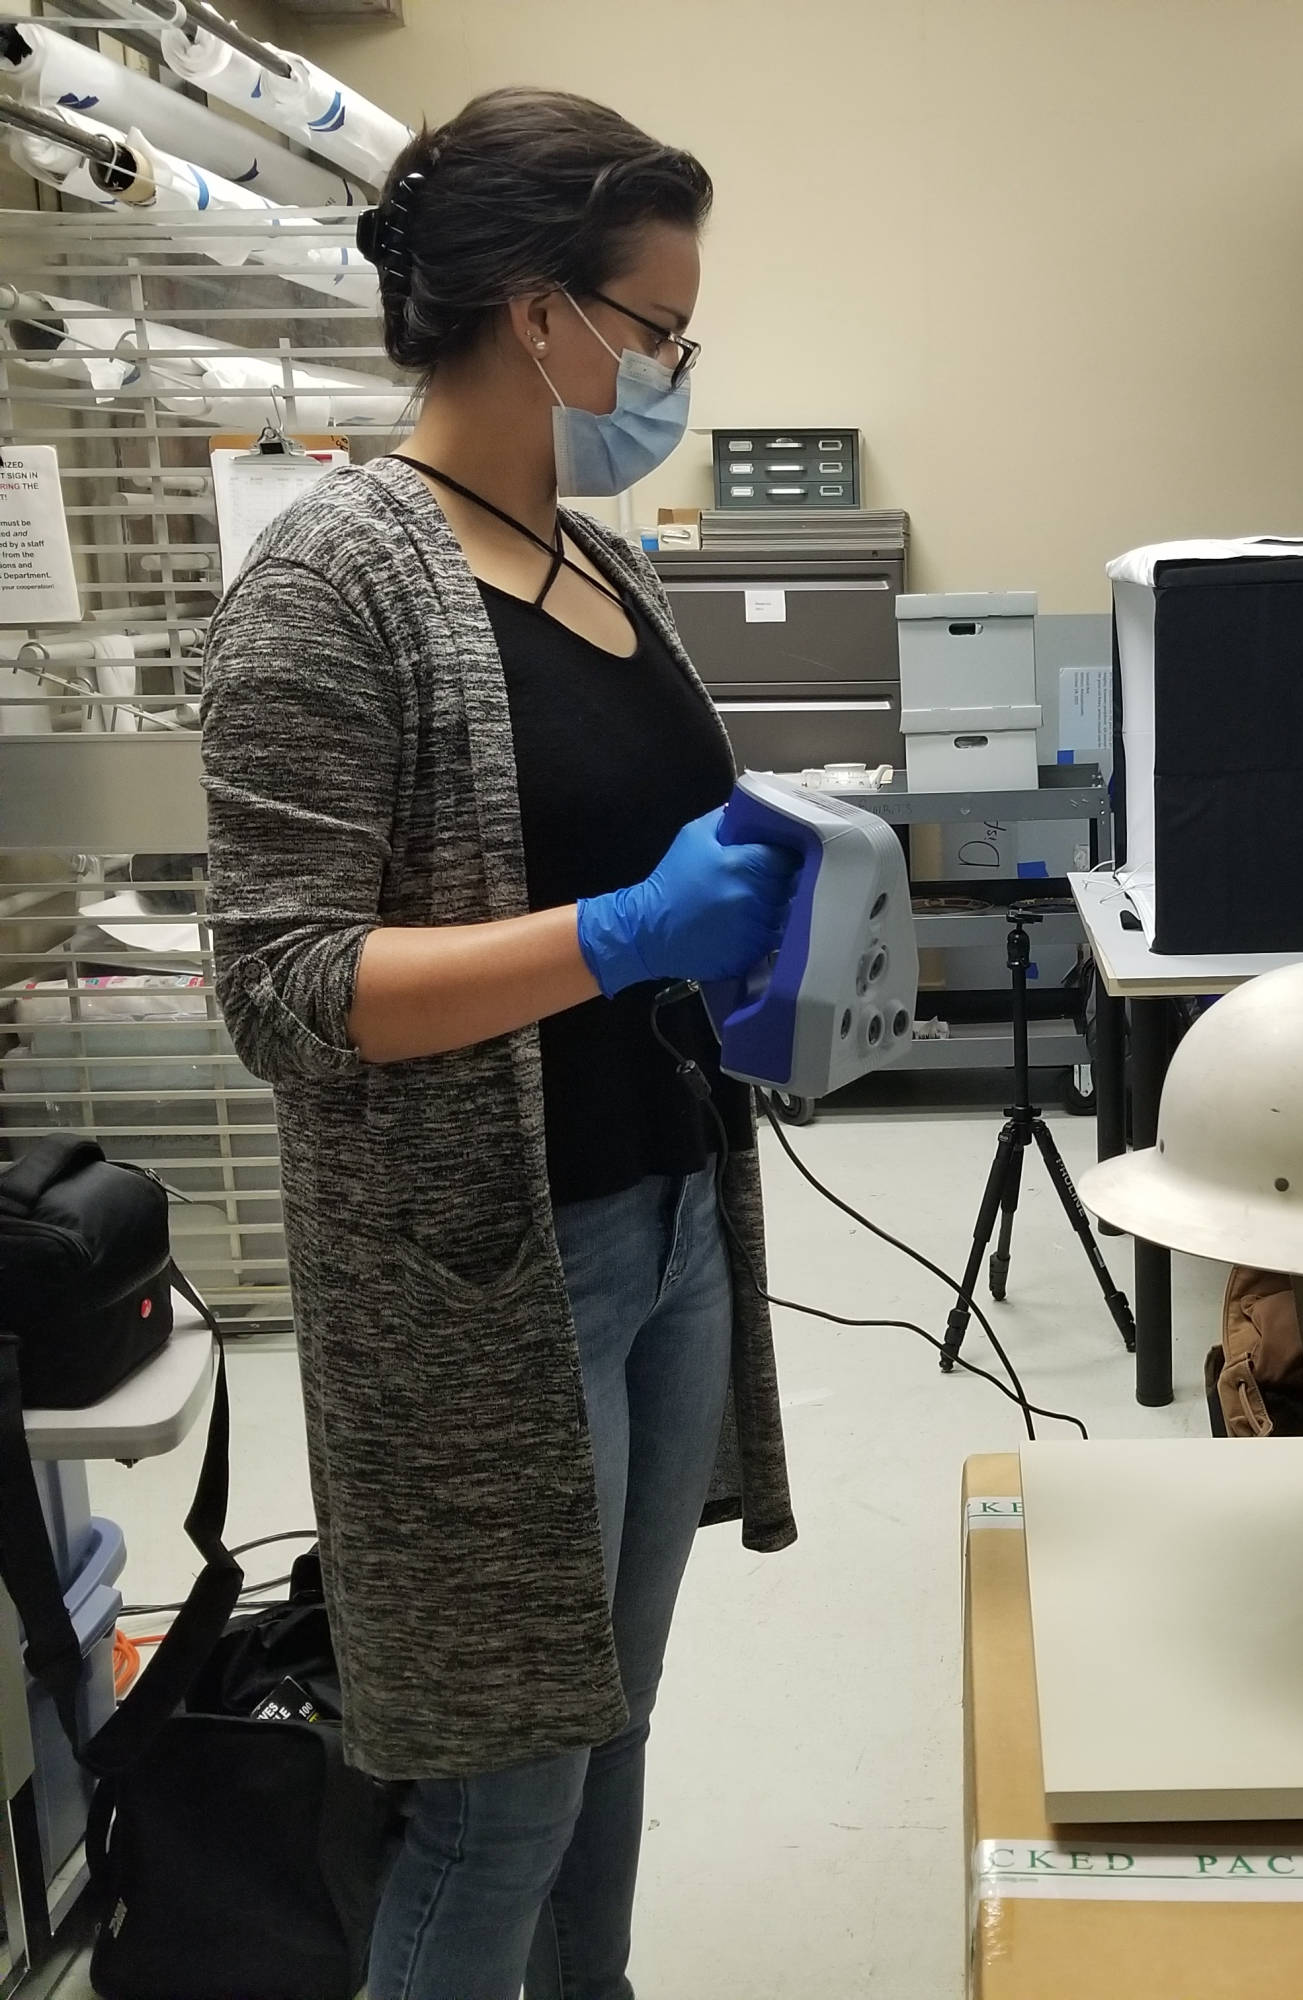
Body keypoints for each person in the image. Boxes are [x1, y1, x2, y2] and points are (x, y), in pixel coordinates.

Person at [200, 87, 801, 1999]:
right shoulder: (336, 581)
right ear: (540, 316)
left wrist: (775, 937)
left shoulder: (597, 567)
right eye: (659, 330)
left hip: (667, 1225)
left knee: (605, 1726)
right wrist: (622, 933)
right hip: (485, 1279)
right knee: (496, 1795)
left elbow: (623, 857)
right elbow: (282, 982)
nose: (673, 372)